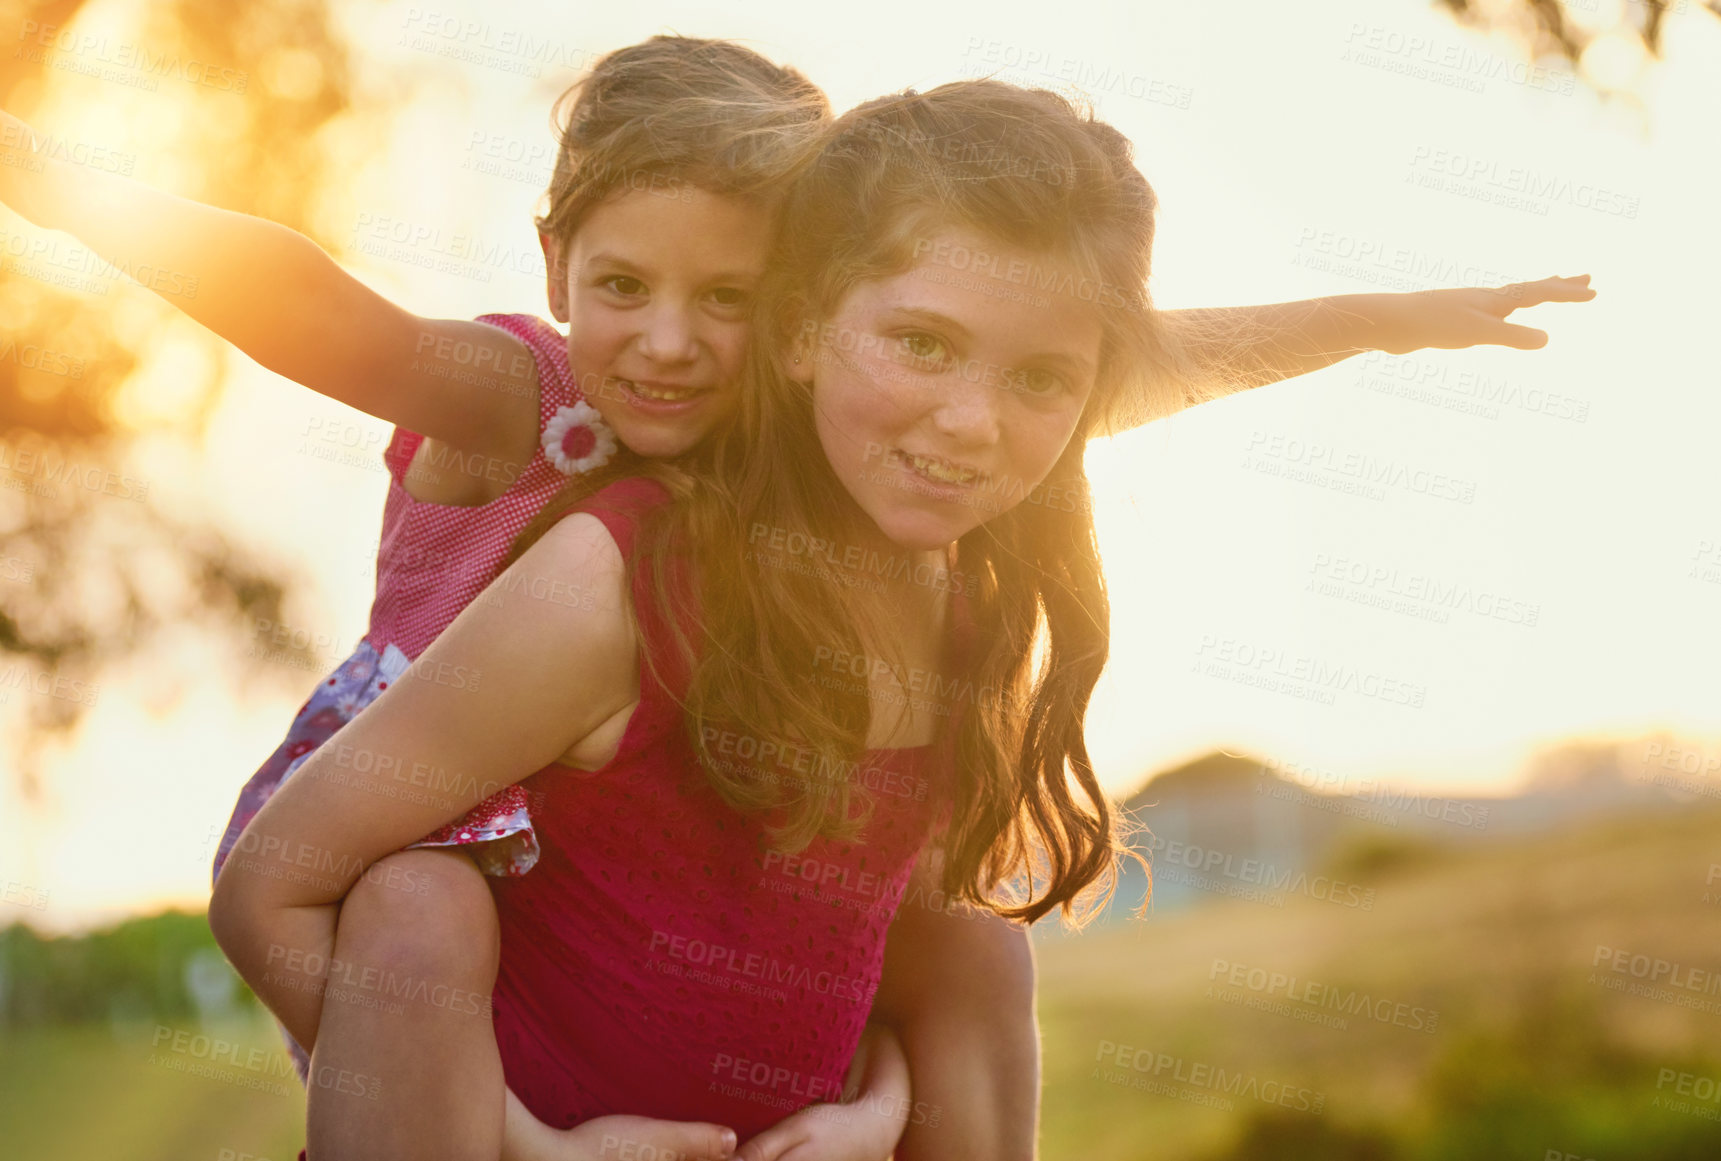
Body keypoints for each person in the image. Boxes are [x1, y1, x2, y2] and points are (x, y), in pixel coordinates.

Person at [206, 74, 1593, 1161]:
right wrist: (530, 1145)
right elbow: (270, 881)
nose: (970, 425)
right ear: (801, 330)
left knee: (974, 934)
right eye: (920, 344)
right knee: (409, 896)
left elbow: (838, 948)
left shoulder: (971, 586)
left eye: (1041, 378)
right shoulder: (617, 581)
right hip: (533, 1129)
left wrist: (872, 1115)